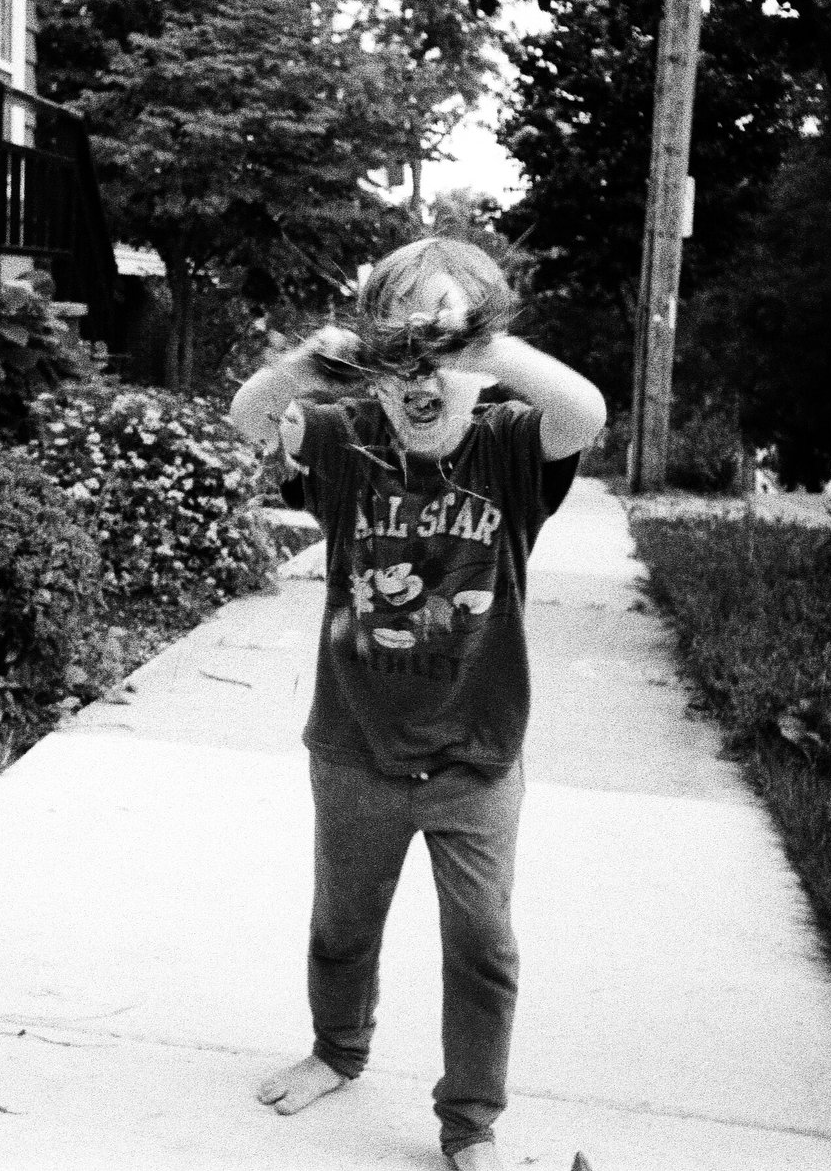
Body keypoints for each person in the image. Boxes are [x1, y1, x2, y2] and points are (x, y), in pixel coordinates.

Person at [228, 239, 606, 1170]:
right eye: (399, 357)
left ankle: (470, 1122)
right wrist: (309, 362)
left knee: (483, 944)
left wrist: (476, 343)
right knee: (343, 923)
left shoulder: (515, 449)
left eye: (447, 356)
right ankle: (337, 1050)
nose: (420, 378)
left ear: (484, 363)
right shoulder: (347, 442)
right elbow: (249, 417)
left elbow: (585, 408)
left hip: (477, 756)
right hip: (354, 746)